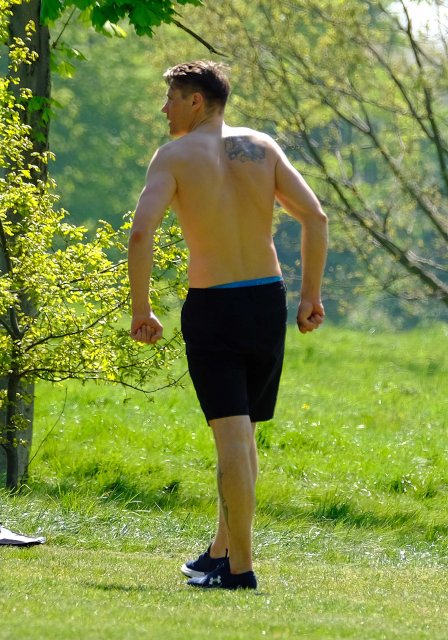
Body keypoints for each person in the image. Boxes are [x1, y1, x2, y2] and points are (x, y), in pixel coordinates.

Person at [128, 61, 328, 589]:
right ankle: (221, 551)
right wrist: (310, 297)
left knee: (233, 442)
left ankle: (240, 570)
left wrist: (142, 309)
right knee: (244, 438)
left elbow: (141, 234)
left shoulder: (173, 156)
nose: (163, 108)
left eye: (170, 97)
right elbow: (316, 217)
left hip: (215, 305)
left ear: (196, 101)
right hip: (267, 302)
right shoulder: (261, 146)